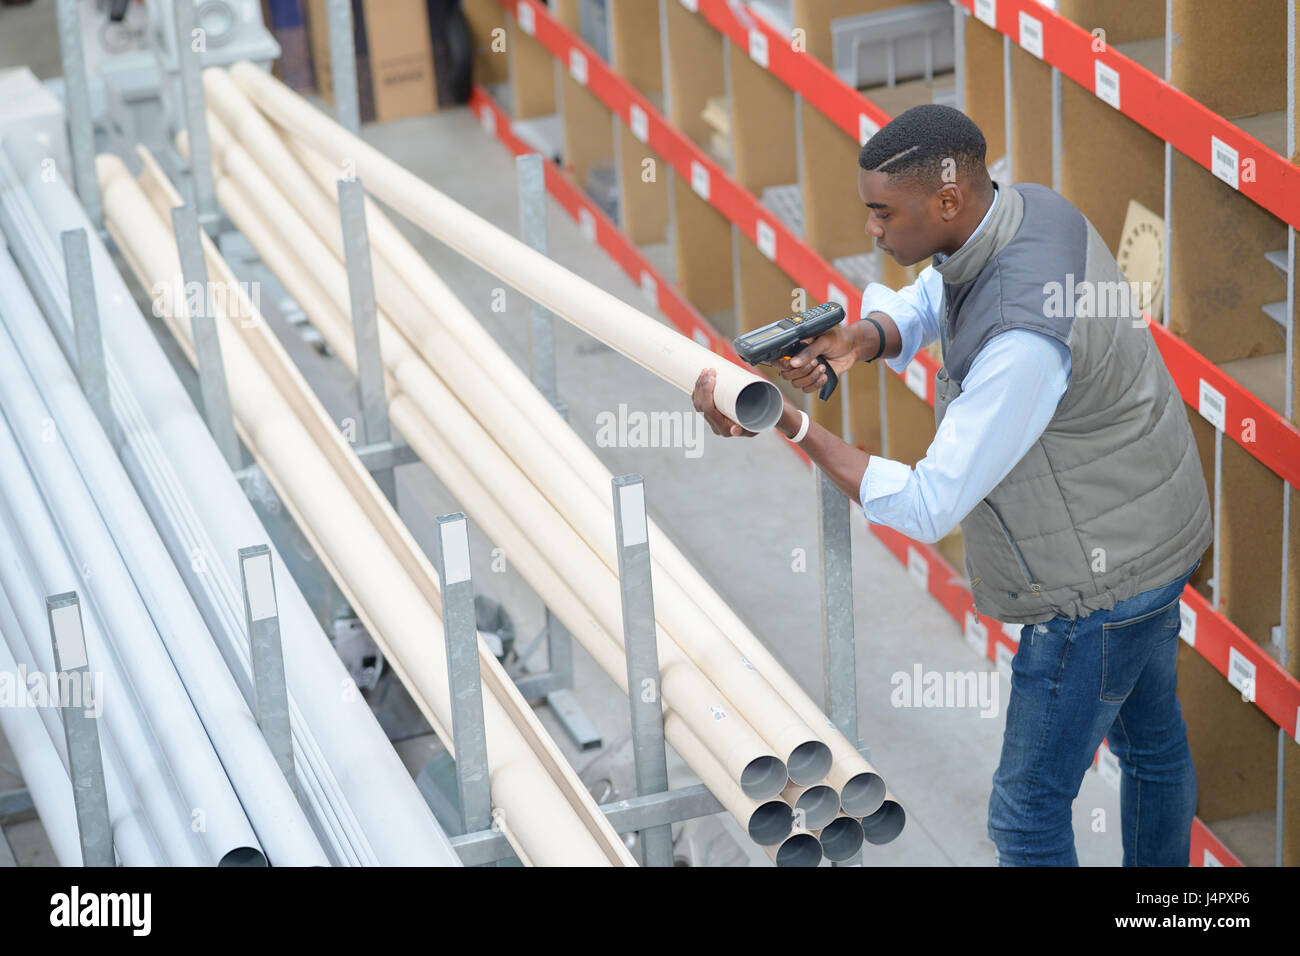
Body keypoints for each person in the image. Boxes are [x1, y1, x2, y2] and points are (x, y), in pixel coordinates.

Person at [692, 104, 1212, 867]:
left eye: (881, 213)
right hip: (1154, 535)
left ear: (943, 202)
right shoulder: (1033, 212)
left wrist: (789, 424)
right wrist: (864, 337)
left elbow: (931, 502)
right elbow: (950, 289)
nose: (872, 230)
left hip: (1097, 593)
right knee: (1154, 751)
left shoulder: (1021, 343)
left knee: (1027, 814)